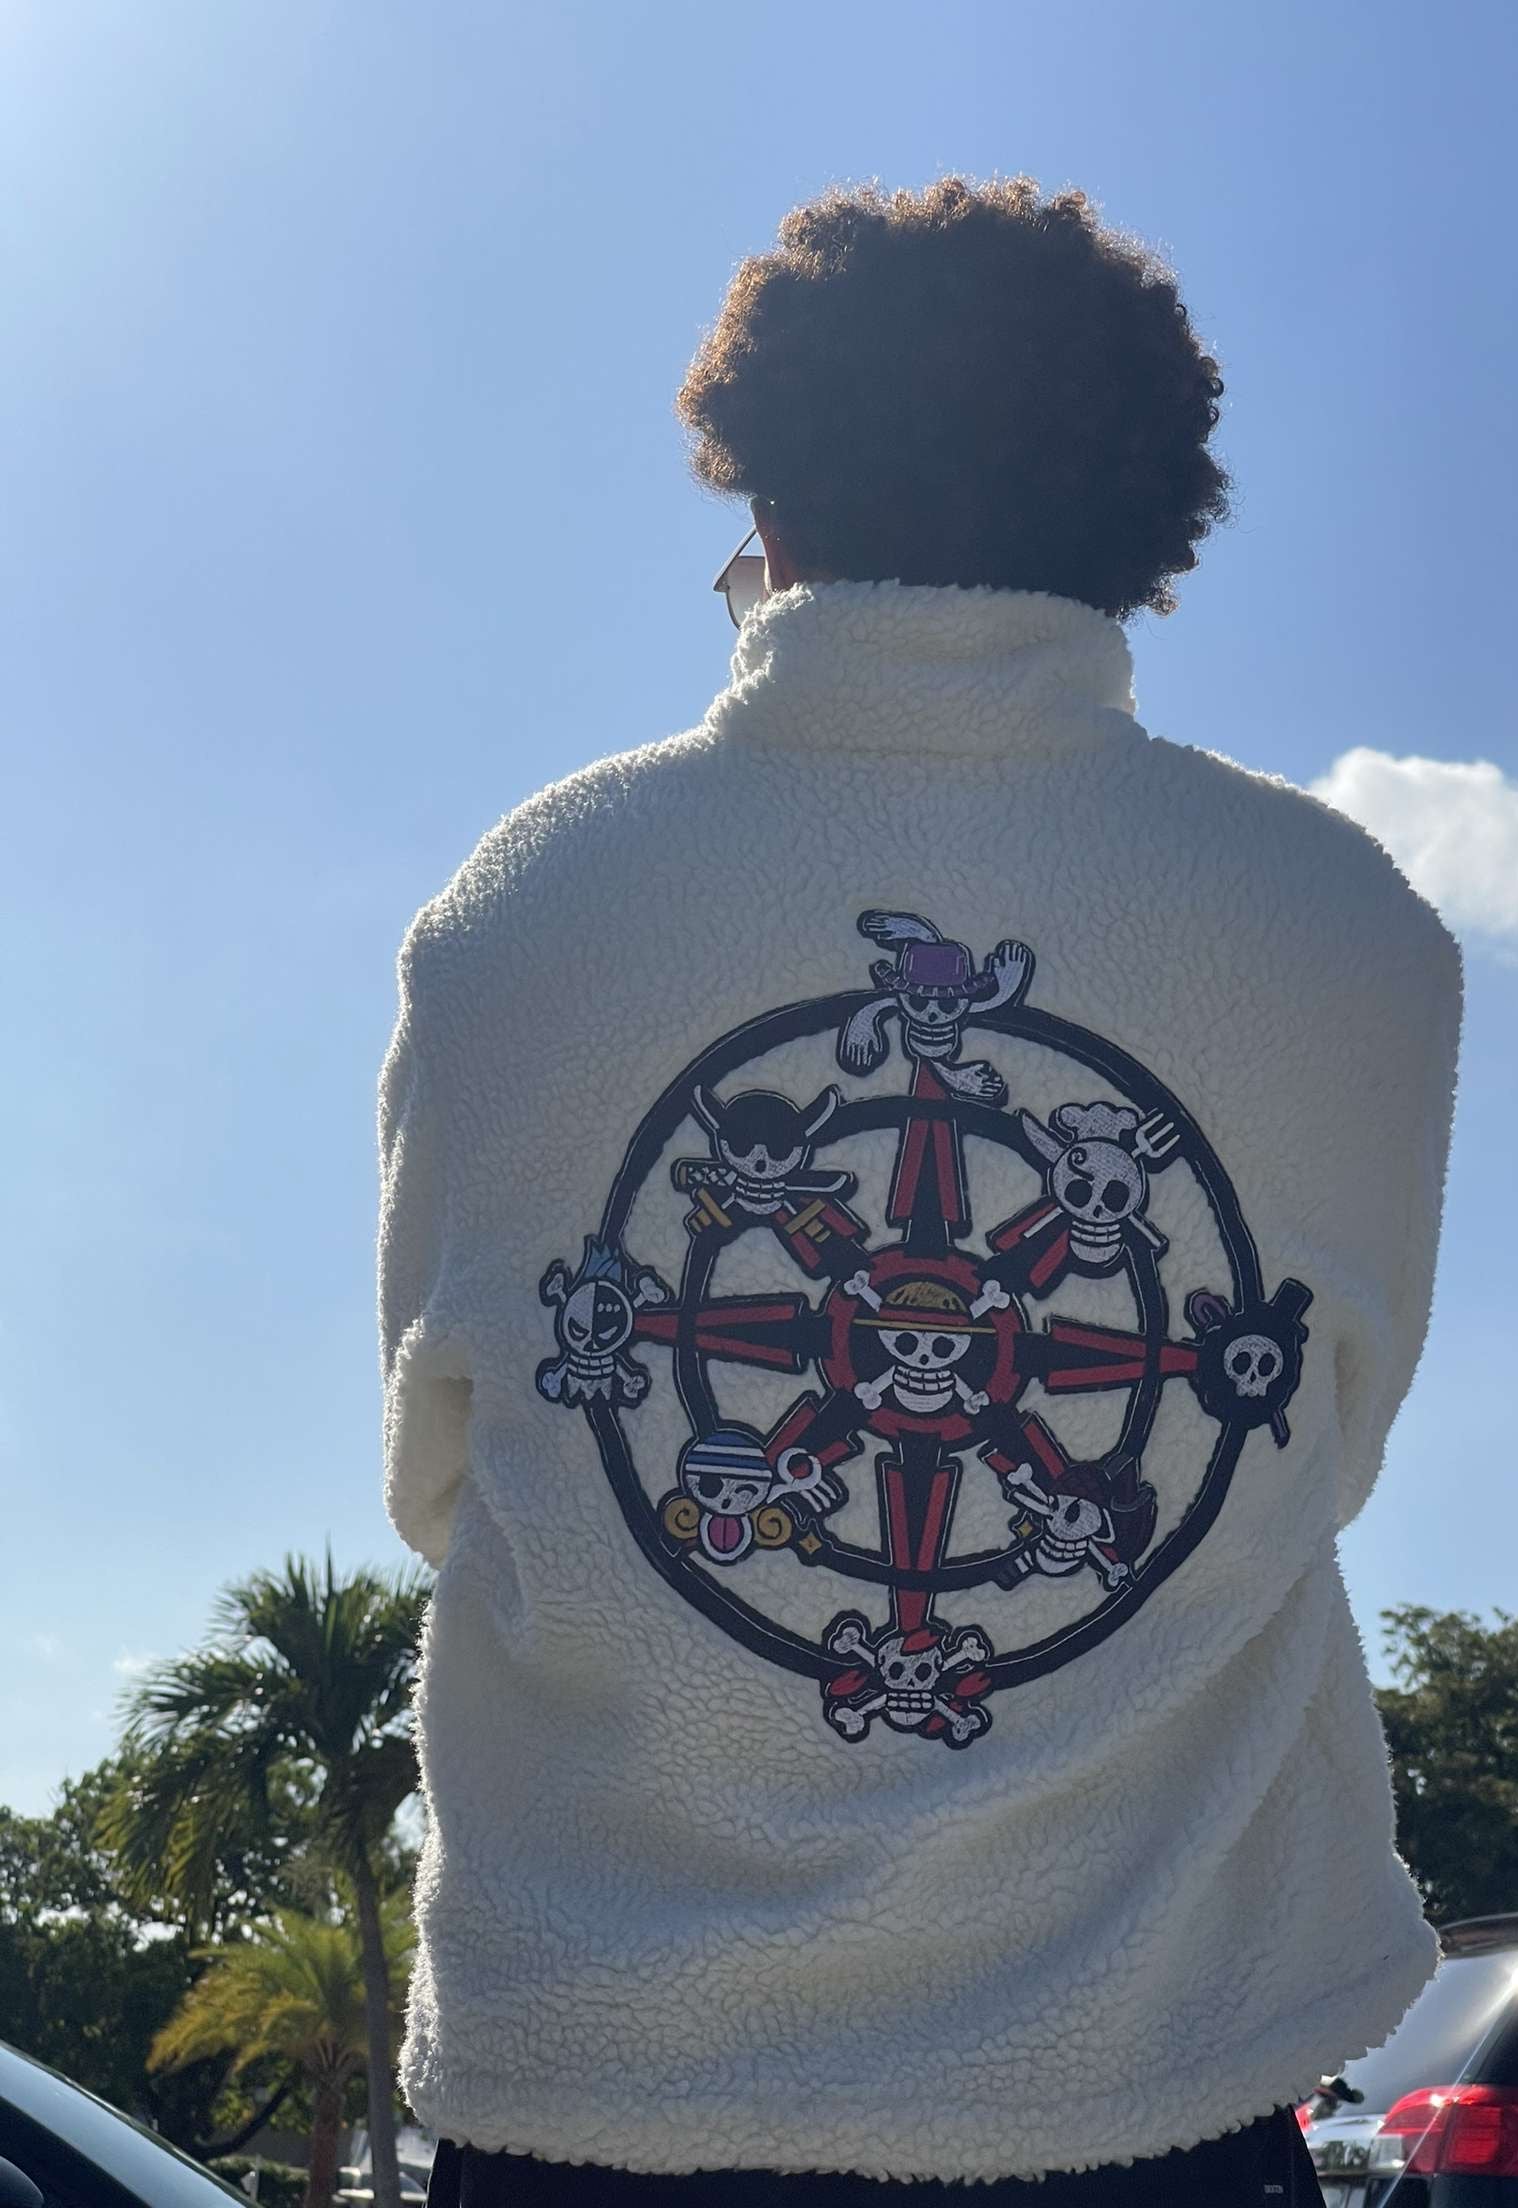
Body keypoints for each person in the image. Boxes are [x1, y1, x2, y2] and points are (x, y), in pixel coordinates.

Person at [379, 176, 1462, 2205]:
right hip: (1159, 2091)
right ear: (1149, 543)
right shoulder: (1352, 937)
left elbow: (452, 1469)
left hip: (593, 2096)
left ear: (769, 513)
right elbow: (1306, 1445)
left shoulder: (520, 915)